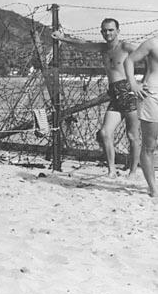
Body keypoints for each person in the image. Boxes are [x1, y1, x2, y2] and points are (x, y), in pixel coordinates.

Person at [53, 20, 141, 177]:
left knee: (133, 136)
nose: (108, 33)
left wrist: (143, 82)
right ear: (101, 32)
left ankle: (133, 172)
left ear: (118, 31)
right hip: (114, 95)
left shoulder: (126, 47)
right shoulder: (103, 48)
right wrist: (62, 38)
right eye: (105, 31)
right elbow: (83, 45)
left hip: (128, 93)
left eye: (111, 30)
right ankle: (111, 170)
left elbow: (150, 55)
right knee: (105, 133)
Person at [124, 38, 158, 197]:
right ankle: (153, 188)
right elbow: (129, 60)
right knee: (149, 145)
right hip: (152, 94)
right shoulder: (152, 44)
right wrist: (133, 84)